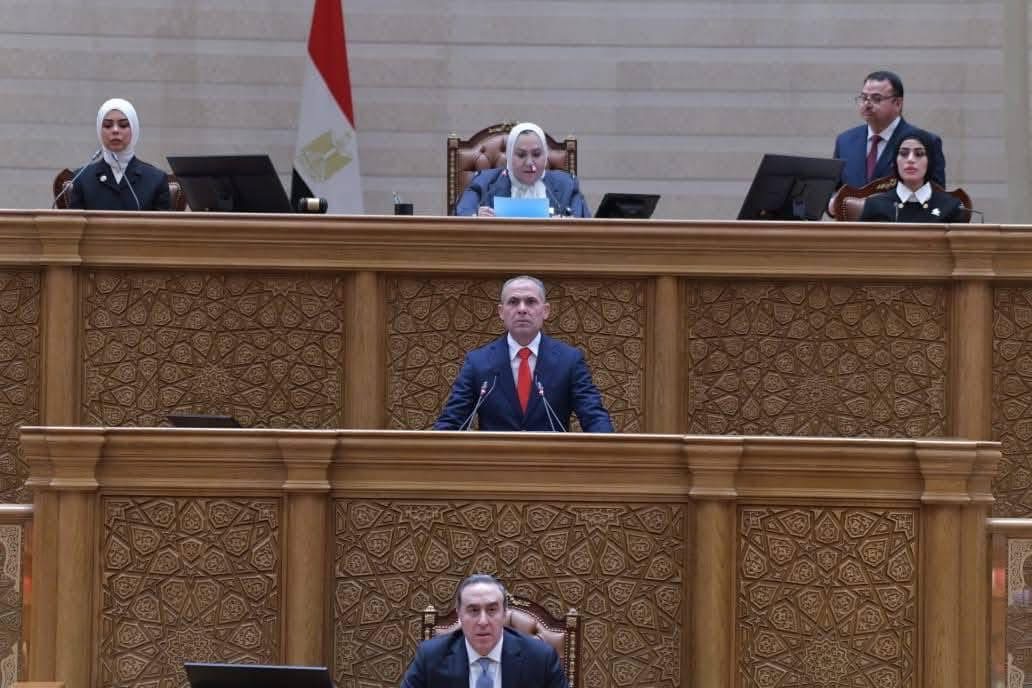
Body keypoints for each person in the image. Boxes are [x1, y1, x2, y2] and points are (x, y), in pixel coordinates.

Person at [434, 275, 613, 432]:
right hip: (495, 459)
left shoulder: (569, 360)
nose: (522, 309)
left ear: (546, 311)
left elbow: (593, 416)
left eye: (530, 301)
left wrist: (609, 450)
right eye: (513, 302)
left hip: (551, 458)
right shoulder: (478, 362)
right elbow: (452, 421)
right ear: (501, 312)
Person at [400, 574, 568, 688]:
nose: (483, 621)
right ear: (459, 614)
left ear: (504, 613)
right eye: (473, 610)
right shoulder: (431, 657)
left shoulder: (540, 658)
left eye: (492, 610)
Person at [832, 71, 946, 188]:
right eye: (864, 97)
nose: (867, 104)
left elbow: (936, 193)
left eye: (876, 99)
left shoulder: (926, 142)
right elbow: (835, 190)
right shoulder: (845, 141)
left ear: (897, 103)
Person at [453, 123, 590, 218]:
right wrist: (476, 217)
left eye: (536, 154)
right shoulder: (484, 181)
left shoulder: (567, 184)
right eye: (521, 155)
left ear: (545, 156)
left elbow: (583, 225)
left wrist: (565, 223)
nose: (529, 163)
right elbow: (462, 213)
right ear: (509, 156)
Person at [66, 98, 171, 210]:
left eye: (123, 125)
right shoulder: (82, 178)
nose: (115, 130)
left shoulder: (156, 179)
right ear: (99, 130)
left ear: (134, 129)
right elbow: (75, 221)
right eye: (107, 125)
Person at [860, 129, 966, 223]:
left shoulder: (951, 207)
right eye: (903, 153)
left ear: (930, 162)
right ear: (895, 161)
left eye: (919, 154)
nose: (910, 159)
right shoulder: (875, 205)